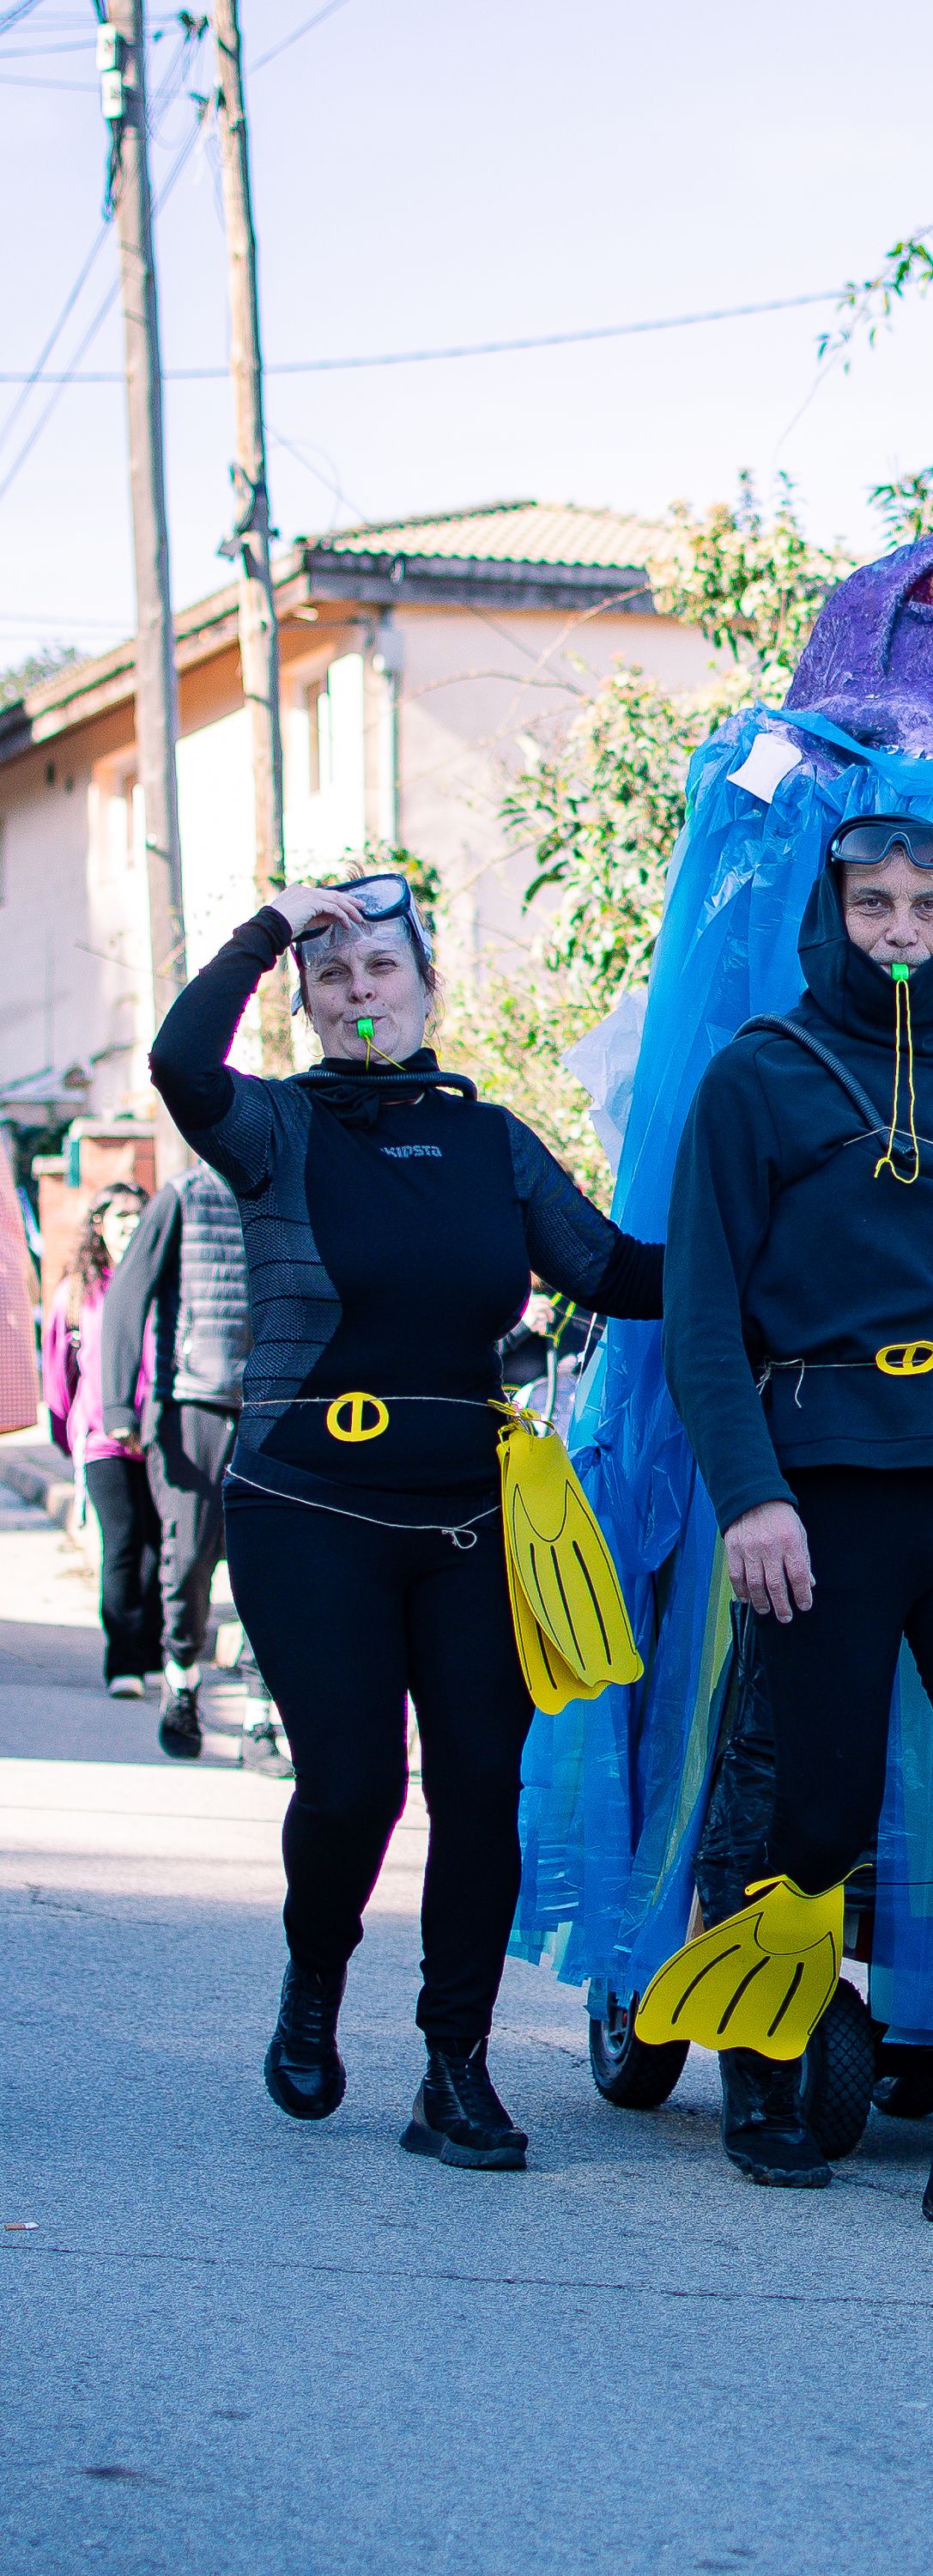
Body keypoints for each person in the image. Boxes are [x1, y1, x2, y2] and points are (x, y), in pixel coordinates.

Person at [145, 870, 663, 2172]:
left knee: (483, 1792)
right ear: (308, 1003)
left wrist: (776, 1216)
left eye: (382, 971)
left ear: (427, 988)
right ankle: (314, 1991)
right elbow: (174, 1061)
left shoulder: (490, 1142)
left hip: (472, 1521)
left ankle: (455, 2070)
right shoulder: (272, 1128)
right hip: (307, 1504)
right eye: (336, 977)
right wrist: (271, 926)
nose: (360, 993)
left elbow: (615, 1273)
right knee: (357, 1787)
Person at [661, 817, 933, 2250]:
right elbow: (704, 1316)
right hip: (823, 1493)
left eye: (923, 907)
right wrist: (751, 1493)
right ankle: (767, 2069)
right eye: (871, 905)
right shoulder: (757, 1078)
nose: (899, 931)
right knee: (819, 1808)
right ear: (829, 915)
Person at [101, 1151, 251, 1759]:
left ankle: (263, 1714)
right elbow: (124, 1298)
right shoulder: (182, 1195)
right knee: (189, 1555)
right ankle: (183, 1678)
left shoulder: (290, 1191)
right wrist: (118, 1406)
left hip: (273, 1402)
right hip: (192, 1402)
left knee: (269, 1567)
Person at [43, 1184, 161, 1698]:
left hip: (161, 1437)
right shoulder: (77, 1291)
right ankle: (124, 1663)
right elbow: (58, 1371)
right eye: (121, 1216)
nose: (132, 1225)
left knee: (162, 1548)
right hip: (102, 1439)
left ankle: (154, 1650)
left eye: (141, 1215)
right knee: (122, 1543)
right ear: (99, 1224)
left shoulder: (166, 1280)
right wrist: (73, 1433)